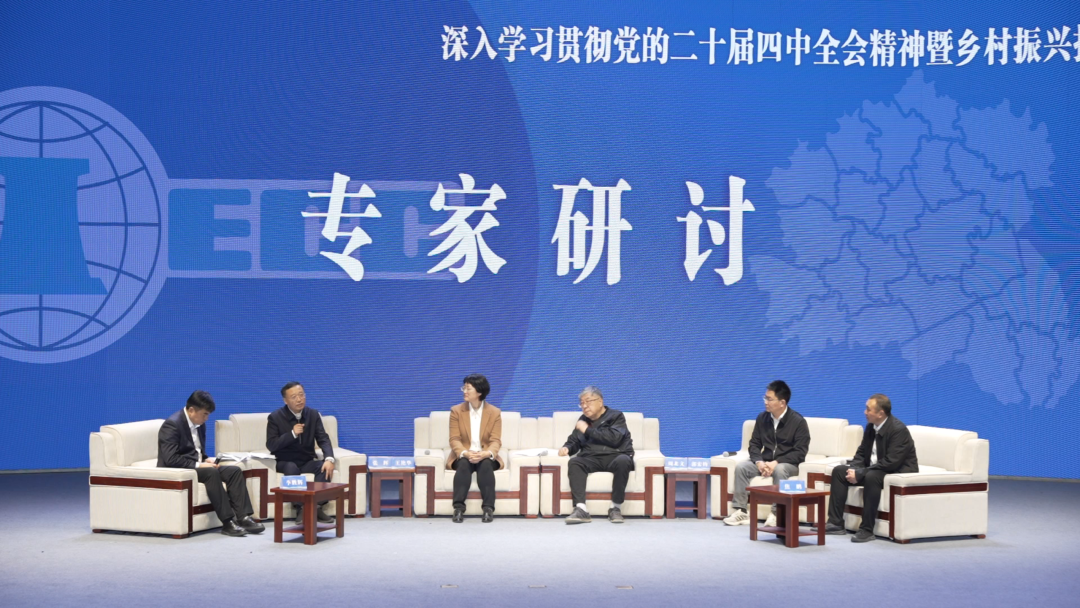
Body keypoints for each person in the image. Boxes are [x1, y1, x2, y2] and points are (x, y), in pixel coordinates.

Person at [158, 390, 264, 537]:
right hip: (177, 470)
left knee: (233, 471)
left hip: (195, 466)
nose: (206, 418)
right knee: (211, 472)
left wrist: (205, 459)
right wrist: (199, 464)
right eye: (205, 414)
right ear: (191, 410)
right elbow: (170, 459)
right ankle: (227, 522)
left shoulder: (199, 423)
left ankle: (243, 517)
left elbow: (195, 450)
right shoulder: (172, 425)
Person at [815, 393, 919, 543]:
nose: (865, 412)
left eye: (868, 409)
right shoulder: (871, 427)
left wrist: (861, 473)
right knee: (839, 471)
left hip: (896, 471)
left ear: (880, 413)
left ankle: (867, 530)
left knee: (872, 477)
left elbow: (891, 462)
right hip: (876, 469)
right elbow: (862, 453)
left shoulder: (898, 430)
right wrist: (854, 469)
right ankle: (835, 523)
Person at [724, 380, 810, 528]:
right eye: (765, 398)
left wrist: (776, 462)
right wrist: (759, 462)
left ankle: (776, 514)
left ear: (782, 402)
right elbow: (754, 444)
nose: (765, 402)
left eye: (769, 399)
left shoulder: (798, 422)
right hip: (765, 462)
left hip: (788, 464)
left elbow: (800, 452)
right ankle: (741, 510)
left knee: (780, 469)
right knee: (742, 467)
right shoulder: (762, 418)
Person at [560, 386, 634, 524]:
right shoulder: (583, 420)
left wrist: (587, 430)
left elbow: (614, 439)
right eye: (582, 403)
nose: (584, 406)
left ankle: (615, 508)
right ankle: (581, 509)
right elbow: (574, 440)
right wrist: (567, 448)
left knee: (624, 460)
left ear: (600, 401)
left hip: (615, 456)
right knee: (575, 462)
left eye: (588, 401)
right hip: (592, 458)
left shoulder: (616, 416)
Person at [266, 381, 336, 524]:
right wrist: (292, 434)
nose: (299, 399)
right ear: (285, 401)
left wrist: (329, 458)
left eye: (301, 395)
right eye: (294, 397)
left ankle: (315, 506)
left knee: (323, 467)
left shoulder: (313, 414)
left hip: (306, 460)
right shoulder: (275, 417)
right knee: (291, 468)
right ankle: (300, 507)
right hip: (285, 461)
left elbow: (323, 438)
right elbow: (271, 445)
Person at [446, 373, 503, 523]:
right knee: (464, 464)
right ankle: (458, 508)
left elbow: (495, 440)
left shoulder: (494, 412)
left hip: (485, 454)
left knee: (486, 465)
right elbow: (454, 439)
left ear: (479, 391)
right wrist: (465, 453)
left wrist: (487, 453)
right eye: (464, 388)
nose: (464, 391)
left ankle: (488, 509)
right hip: (464, 454)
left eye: (468, 388)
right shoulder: (456, 411)